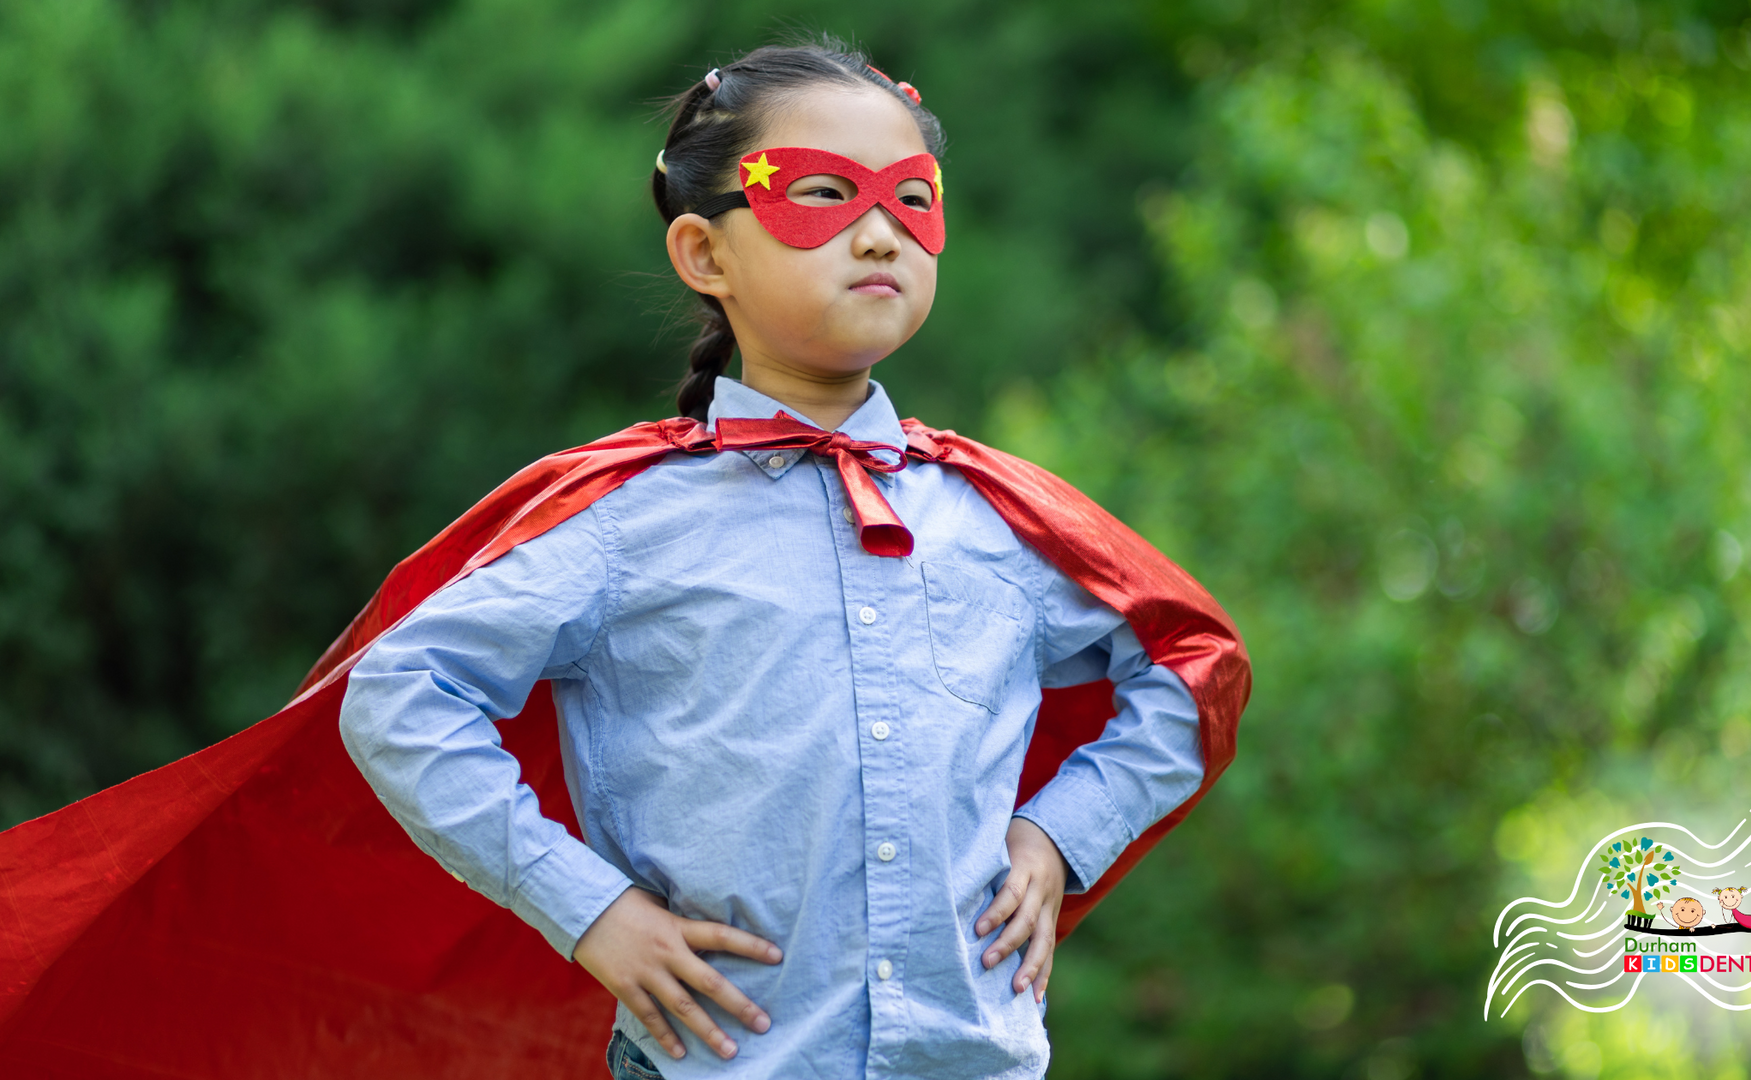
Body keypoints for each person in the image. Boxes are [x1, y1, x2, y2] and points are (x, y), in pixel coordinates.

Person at [337, 40, 1245, 1080]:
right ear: (704, 253)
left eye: (912, 199)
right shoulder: (623, 523)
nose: (880, 234)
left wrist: (1059, 836)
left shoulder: (995, 518)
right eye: (822, 194)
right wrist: (591, 912)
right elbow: (402, 693)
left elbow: (1192, 667)